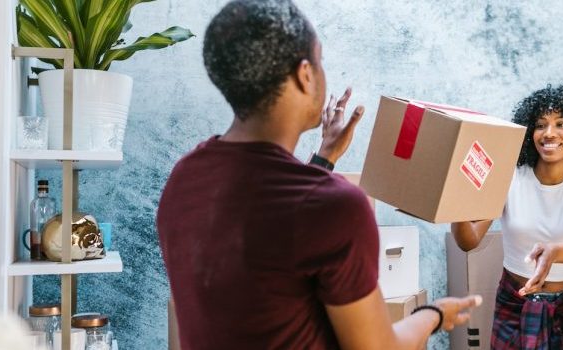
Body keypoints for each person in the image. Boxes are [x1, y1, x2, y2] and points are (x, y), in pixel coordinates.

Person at [156, 1, 480, 349]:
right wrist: (433, 315)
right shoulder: (336, 208)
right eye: (321, 61)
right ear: (305, 74)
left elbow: (268, 249)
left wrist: (324, 158)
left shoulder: (184, 179)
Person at [452, 84, 563, 349]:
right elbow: (468, 240)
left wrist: (553, 251)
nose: (549, 133)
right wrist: (453, 204)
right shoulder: (506, 177)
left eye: (561, 124)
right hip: (514, 302)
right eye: (540, 124)